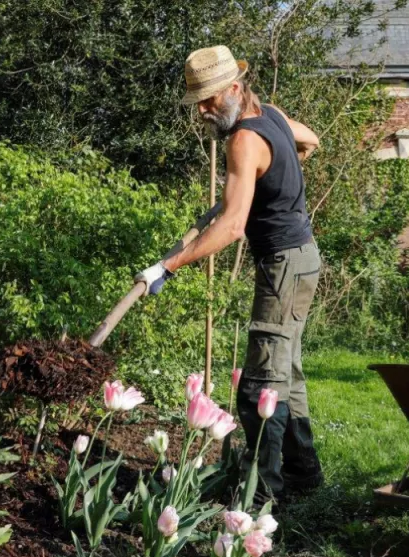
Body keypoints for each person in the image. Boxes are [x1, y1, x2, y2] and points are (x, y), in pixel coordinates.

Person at [135, 45, 323, 506]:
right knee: (287, 372)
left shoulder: (243, 141)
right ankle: (304, 474)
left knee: (261, 384)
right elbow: (311, 140)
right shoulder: (272, 115)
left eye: (209, 100)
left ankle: (261, 497)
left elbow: (233, 226)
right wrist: (265, 181)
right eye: (197, 101)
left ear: (235, 88)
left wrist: (167, 266)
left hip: (283, 266)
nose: (201, 110)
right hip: (303, 259)